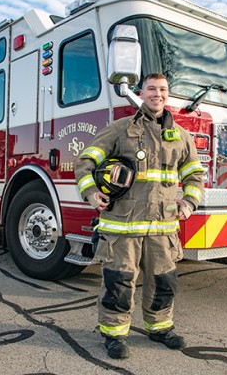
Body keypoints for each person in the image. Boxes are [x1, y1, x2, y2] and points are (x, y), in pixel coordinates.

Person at [75, 73, 204, 359]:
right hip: (122, 227)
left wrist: (189, 203)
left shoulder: (181, 136)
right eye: (151, 89)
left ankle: (160, 329)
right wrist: (92, 194)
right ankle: (114, 335)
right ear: (141, 92)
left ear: (167, 94)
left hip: (163, 228)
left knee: (164, 283)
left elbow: (195, 175)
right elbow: (85, 162)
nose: (157, 94)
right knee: (119, 284)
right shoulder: (121, 129)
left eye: (162, 89)